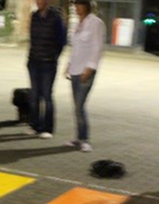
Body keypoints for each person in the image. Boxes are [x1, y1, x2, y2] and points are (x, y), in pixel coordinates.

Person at [65, 0, 104, 152]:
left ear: (86, 6)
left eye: (78, 5)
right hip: (75, 70)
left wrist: (90, 68)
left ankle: (85, 139)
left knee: (80, 106)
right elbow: (75, 47)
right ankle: (77, 137)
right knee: (76, 107)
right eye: (75, 5)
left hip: (86, 71)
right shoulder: (77, 23)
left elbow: (98, 47)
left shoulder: (96, 23)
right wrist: (68, 65)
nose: (75, 8)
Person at [26, 0, 66, 139]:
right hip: (34, 61)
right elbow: (32, 38)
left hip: (48, 63)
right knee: (34, 95)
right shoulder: (34, 16)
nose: (39, 2)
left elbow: (62, 40)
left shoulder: (56, 17)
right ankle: (35, 125)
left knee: (47, 96)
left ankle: (47, 128)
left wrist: (54, 56)